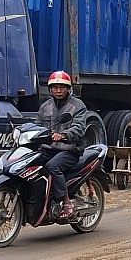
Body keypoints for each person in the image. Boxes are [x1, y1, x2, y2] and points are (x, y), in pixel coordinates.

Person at [36, 70, 88, 219]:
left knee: (52, 166)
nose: (58, 90)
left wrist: (64, 136)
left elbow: (79, 127)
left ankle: (66, 201)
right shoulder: (45, 106)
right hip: (49, 149)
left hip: (70, 149)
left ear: (68, 88)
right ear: (50, 89)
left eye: (62, 87)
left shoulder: (77, 106)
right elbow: (37, 125)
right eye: (55, 87)